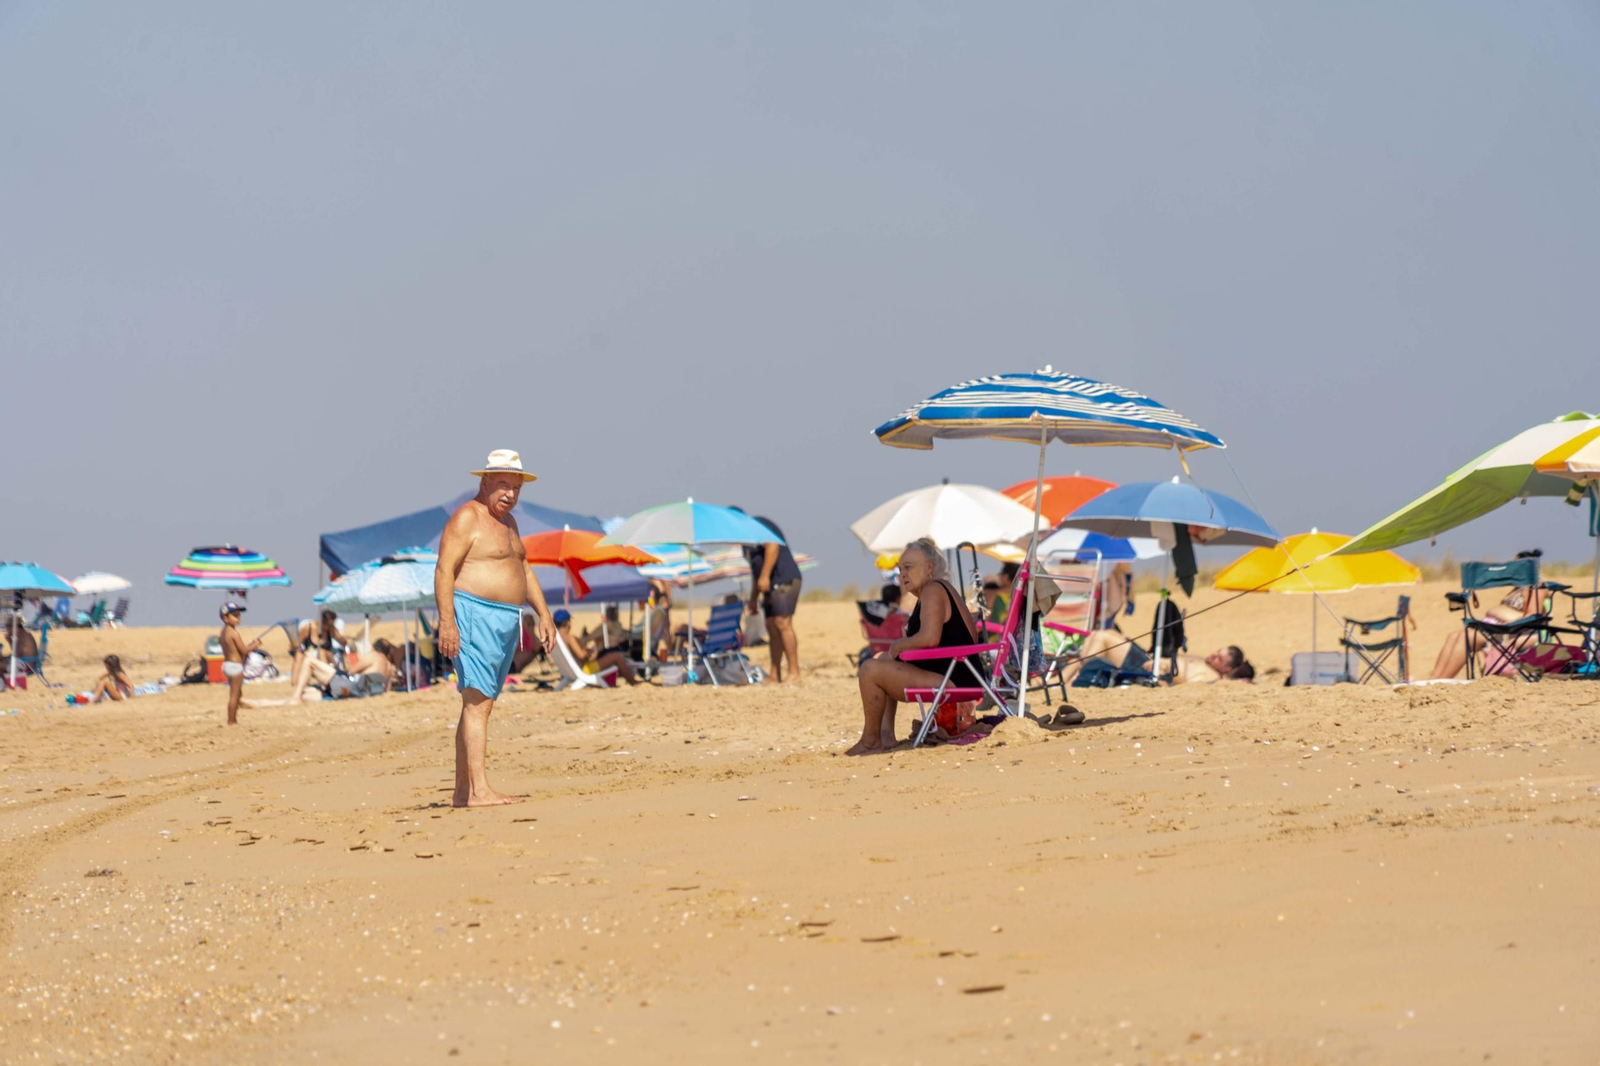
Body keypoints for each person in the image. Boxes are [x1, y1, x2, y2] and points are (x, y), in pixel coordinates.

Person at [436, 449, 556, 808]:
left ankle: (463, 792)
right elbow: (444, 570)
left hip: (505, 620)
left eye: (516, 487)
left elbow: (525, 569)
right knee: (478, 703)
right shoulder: (466, 518)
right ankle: (480, 791)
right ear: (484, 481)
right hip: (475, 615)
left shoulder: (510, 524)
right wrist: (446, 623)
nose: (510, 494)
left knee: (477, 702)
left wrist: (543, 614)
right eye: (503, 485)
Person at [849, 538, 984, 755]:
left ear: (929, 568)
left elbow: (930, 638)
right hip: (960, 675)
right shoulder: (938, 591)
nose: (902, 574)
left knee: (869, 669)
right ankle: (885, 736)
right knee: (883, 661)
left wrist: (899, 645)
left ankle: (871, 741)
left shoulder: (933, 589)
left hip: (953, 681)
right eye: (900, 569)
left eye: (908, 568)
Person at [1428, 551, 1542, 679]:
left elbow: (1532, 617)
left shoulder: (1537, 587)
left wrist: (1500, 618)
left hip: (1519, 632)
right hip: (1501, 629)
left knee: (1468, 637)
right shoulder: (1518, 588)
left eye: (1515, 566)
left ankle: (1442, 681)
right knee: (1454, 636)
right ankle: (1434, 679)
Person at [736, 509, 803, 683]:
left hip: (784, 578)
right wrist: (752, 598)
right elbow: (755, 571)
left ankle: (794, 672)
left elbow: (772, 546)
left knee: (782, 623)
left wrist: (765, 575)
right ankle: (775, 674)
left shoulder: (757, 525)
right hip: (768, 585)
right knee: (771, 625)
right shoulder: (746, 543)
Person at [1056, 630, 1255, 686]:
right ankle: (1067, 678)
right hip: (1148, 658)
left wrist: (1161, 671)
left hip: (1145, 668)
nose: (1214, 655)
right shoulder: (1205, 662)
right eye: (1217, 651)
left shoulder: (1209, 677)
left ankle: (1065, 679)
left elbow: (1185, 688)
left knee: (1103, 638)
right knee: (1098, 634)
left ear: (1227, 669)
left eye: (1219, 658)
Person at [553, 608, 639, 684]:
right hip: (585, 669)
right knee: (616, 657)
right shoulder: (569, 638)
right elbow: (581, 656)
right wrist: (591, 654)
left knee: (611, 660)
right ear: (568, 622)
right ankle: (632, 681)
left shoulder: (557, 639)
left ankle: (615, 681)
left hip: (571, 671)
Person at [219, 602, 262, 725]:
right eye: (235, 615)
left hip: (227, 665)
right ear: (225, 618)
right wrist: (255, 645)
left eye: (239, 615)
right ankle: (232, 720)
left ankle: (233, 716)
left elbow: (235, 650)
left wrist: (249, 646)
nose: (238, 618)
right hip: (235, 667)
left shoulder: (223, 633)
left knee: (237, 693)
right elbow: (244, 650)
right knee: (234, 695)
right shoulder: (233, 632)